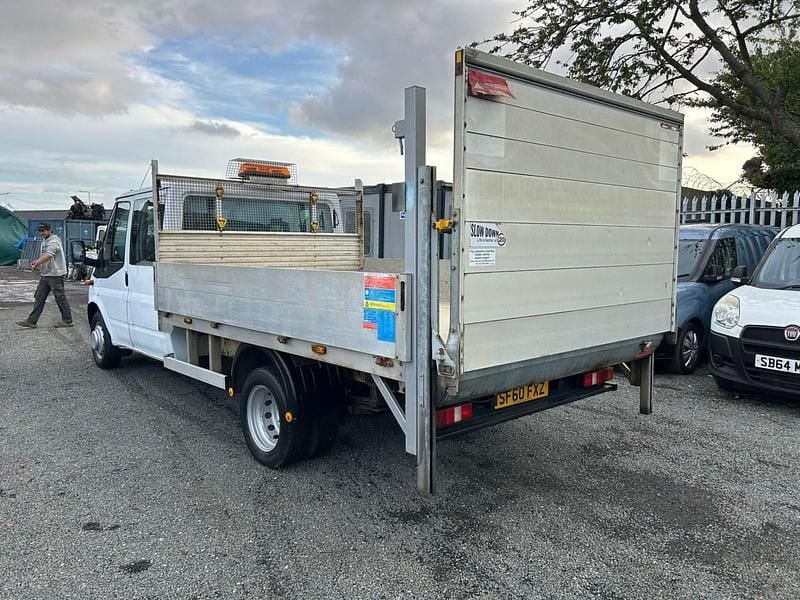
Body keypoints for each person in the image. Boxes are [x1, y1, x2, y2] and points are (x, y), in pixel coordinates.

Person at [17, 223, 73, 328]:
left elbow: (48, 255)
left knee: (60, 297)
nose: (41, 233)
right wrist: (37, 261)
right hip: (46, 273)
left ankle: (67, 320)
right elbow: (44, 255)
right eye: (40, 231)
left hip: (56, 274)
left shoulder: (54, 241)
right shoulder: (45, 241)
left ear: (50, 230)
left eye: (43, 231)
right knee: (39, 296)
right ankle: (32, 321)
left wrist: (37, 263)